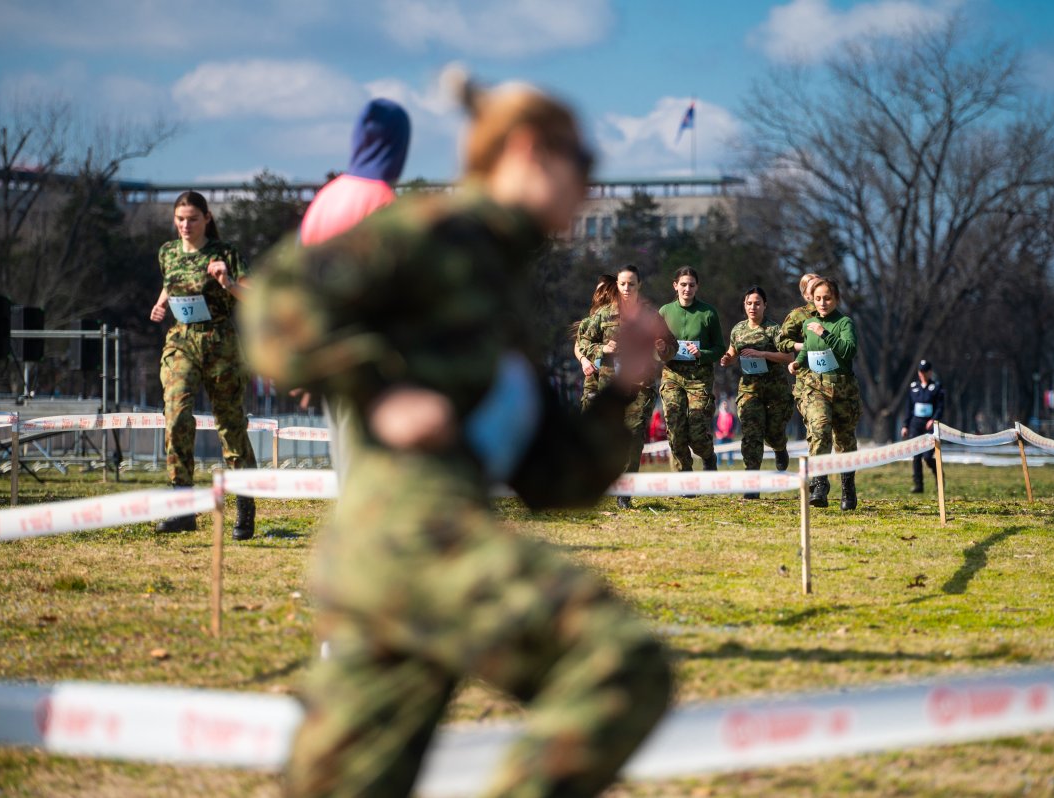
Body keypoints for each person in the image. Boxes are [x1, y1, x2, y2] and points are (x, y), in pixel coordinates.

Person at [242, 74, 672, 797]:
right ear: (529, 150)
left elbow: (557, 479)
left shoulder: (499, 287)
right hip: (411, 541)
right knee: (619, 663)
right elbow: (276, 301)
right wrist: (378, 390)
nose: (589, 189)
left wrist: (624, 386)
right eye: (583, 164)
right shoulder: (439, 231)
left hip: (397, 567)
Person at [299, 98, 411, 483]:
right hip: (369, 355)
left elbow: (300, 281)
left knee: (346, 463)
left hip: (329, 351)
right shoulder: (382, 199)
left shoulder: (326, 198)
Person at [149, 191, 258, 539]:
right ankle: (182, 507)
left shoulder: (226, 253)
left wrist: (228, 283)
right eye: (180, 219)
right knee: (176, 415)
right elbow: (171, 281)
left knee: (230, 423)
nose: (185, 225)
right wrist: (160, 304)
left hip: (219, 342)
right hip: (181, 341)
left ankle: (244, 506)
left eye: (192, 219)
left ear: (207, 218)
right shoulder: (167, 252)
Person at [579, 264, 676, 508]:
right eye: (622, 284)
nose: (626, 288)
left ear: (639, 285)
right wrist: (602, 348)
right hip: (610, 386)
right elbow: (583, 343)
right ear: (617, 285)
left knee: (634, 437)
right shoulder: (604, 315)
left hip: (641, 387)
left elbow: (671, 346)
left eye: (631, 284)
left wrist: (663, 349)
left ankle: (625, 493)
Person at [791, 276, 861, 511]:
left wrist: (825, 333)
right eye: (818, 298)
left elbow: (849, 350)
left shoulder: (844, 323)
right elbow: (808, 349)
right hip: (816, 387)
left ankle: (848, 488)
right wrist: (798, 362)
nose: (822, 303)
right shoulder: (808, 324)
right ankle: (819, 484)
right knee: (819, 429)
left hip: (843, 388)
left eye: (827, 298)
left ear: (836, 299)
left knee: (844, 440)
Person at [720, 285, 796, 497]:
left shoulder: (773, 329)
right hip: (749, 390)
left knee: (773, 434)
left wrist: (762, 354)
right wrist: (727, 359)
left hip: (775, 392)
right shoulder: (738, 329)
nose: (753, 307)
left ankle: (780, 448)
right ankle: (752, 483)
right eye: (749, 303)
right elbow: (732, 352)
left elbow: (788, 357)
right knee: (751, 434)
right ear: (744, 305)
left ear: (765, 305)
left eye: (757, 303)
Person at [658, 266, 725, 473]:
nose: (687, 289)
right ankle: (684, 476)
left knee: (697, 433)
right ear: (675, 286)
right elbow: (653, 347)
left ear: (697, 287)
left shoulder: (708, 313)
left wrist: (701, 353)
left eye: (691, 285)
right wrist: (660, 350)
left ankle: (708, 456)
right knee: (675, 429)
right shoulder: (664, 312)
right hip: (672, 375)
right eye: (683, 284)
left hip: (699, 377)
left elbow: (720, 348)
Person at [777, 272, 821, 421]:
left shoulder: (835, 316)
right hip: (809, 380)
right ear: (806, 295)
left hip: (834, 380)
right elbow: (781, 342)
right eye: (813, 287)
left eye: (820, 285)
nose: (818, 289)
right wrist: (803, 346)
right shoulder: (798, 315)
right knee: (818, 426)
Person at [573, 273, 618, 412]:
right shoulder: (589, 321)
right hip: (593, 380)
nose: (599, 294)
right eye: (598, 290)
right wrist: (584, 361)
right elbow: (578, 346)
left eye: (603, 289)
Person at [900, 359, 945, 493]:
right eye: (921, 371)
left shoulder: (936, 387)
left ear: (930, 372)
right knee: (916, 456)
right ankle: (918, 485)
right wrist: (905, 425)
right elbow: (909, 408)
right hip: (916, 425)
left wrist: (934, 419)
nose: (923, 374)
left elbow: (940, 407)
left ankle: (939, 476)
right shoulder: (914, 387)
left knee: (927, 457)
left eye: (925, 371)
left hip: (930, 426)